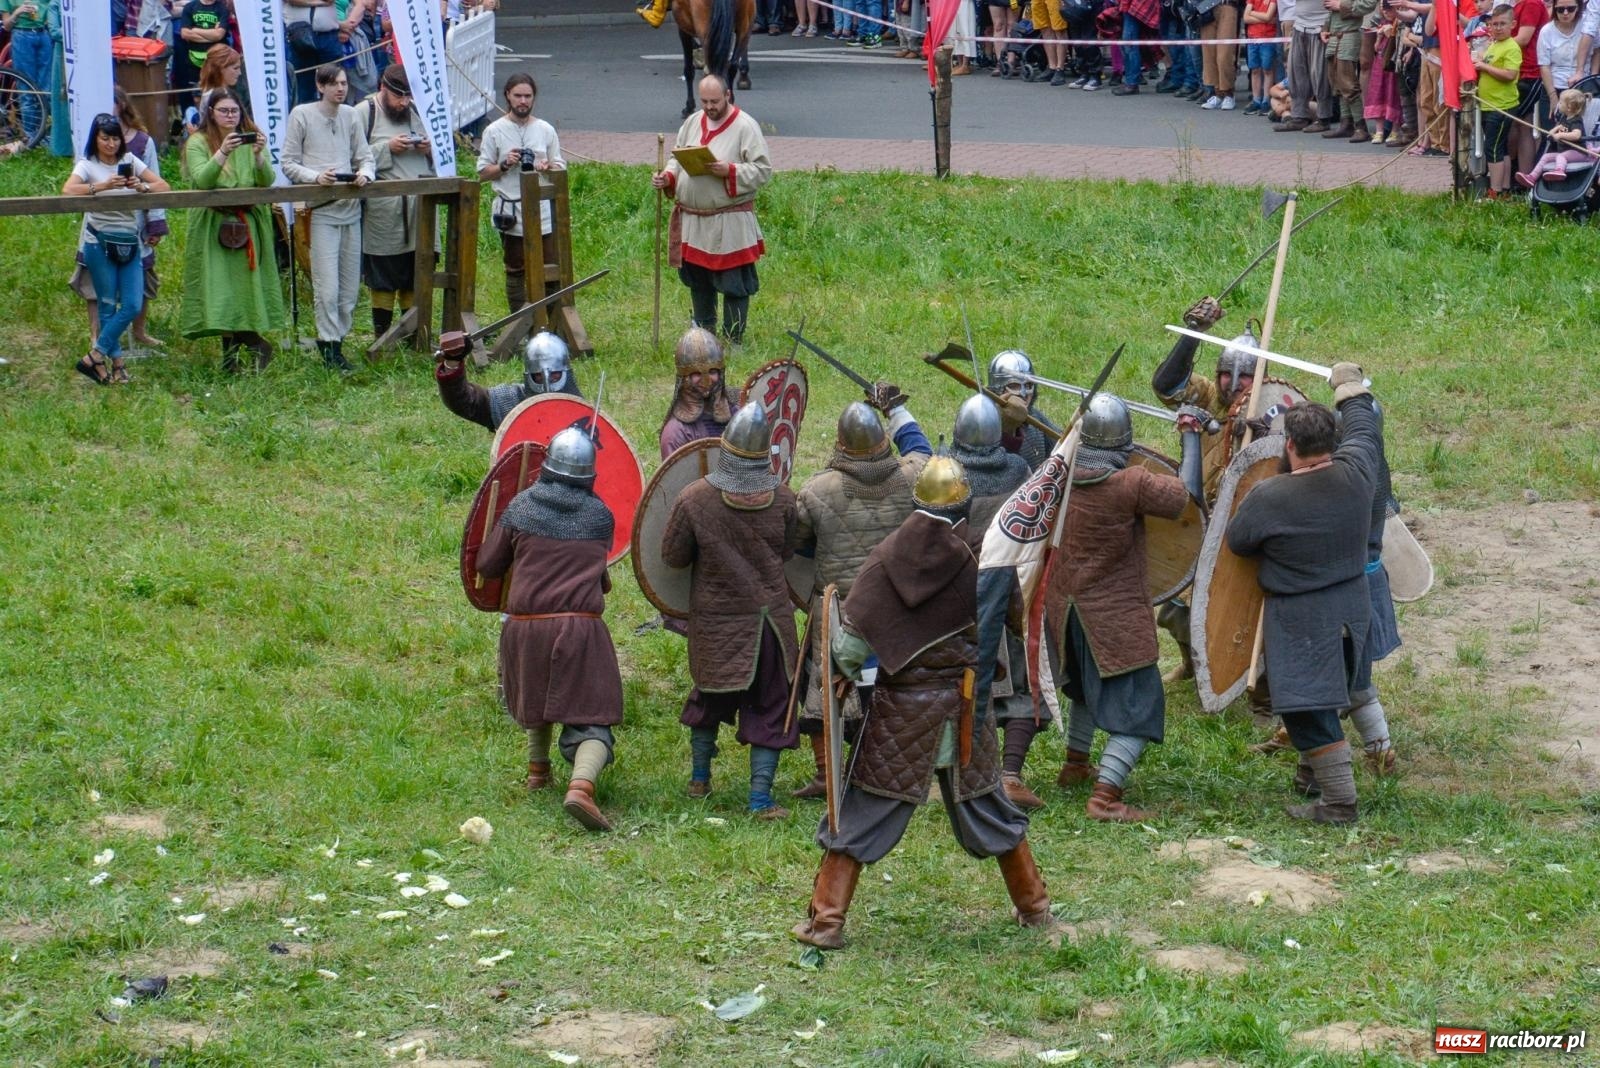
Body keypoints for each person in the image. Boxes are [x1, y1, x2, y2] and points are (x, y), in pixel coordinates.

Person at [790, 453, 1062, 951]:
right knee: (988, 806)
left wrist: (857, 672)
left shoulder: (883, 558)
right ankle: (1035, 907)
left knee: (864, 811)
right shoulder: (978, 563)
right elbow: (1004, 631)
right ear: (964, 508)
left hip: (900, 715)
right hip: (961, 712)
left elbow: (848, 651)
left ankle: (826, 922)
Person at [1226, 365, 1383, 825]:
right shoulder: (1358, 472)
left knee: (1306, 710)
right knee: (1330, 695)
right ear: (1332, 444)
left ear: (1289, 446)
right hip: (1353, 610)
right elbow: (1364, 426)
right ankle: (1312, 778)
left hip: (1303, 619)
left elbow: (1237, 542)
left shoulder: (1270, 497)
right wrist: (1349, 387)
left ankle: (1339, 804)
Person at [1042, 396, 1195, 822]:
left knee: (1088, 686)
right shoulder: (1129, 484)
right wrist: (1191, 437)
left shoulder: (1057, 475)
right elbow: (1184, 497)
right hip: (1112, 616)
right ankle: (1105, 796)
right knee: (1139, 706)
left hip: (1066, 611)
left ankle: (1075, 764)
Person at [475, 427, 624, 831]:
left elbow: (487, 565)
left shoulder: (522, 507)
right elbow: (597, 574)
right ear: (588, 475)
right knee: (595, 714)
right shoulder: (600, 516)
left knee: (536, 695)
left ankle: (538, 772)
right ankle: (580, 787)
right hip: (578, 628)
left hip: (525, 627)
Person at [660, 401, 801, 820]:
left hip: (718, 624)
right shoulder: (784, 500)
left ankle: (699, 778)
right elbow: (788, 552)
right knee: (771, 704)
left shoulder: (693, 499)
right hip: (771, 625)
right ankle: (758, 799)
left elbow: (672, 557)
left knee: (709, 697)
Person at [790, 391, 932, 799]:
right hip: (896, 604)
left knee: (825, 685)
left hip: (838, 606)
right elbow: (920, 448)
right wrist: (896, 411)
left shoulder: (817, 490)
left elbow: (799, 544)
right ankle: (888, 767)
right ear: (882, 443)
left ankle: (826, 773)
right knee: (889, 683)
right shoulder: (911, 478)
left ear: (840, 444)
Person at [953, 395, 1040, 809]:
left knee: (965, 682)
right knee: (1019, 683)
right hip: (1008, 591)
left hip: (961, 595)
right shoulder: (1018, 471)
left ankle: (973, 771)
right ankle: (1008, 772)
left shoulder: (947, 472)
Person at [651, 75, 771, 346]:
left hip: (728, 221)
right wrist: (668, 178)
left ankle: (733, 338)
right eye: (704, 101)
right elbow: (676, 157)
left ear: (727, 95)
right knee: (698, 278)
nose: (708, 107)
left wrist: (729, 170)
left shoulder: (745, 126)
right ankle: (704, 336)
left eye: (714, 101)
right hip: (694, 220)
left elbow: (763, 170)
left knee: (733, 281)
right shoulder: (693, 121)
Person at [178, 88, 286, 373]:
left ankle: (240, 355)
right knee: (222, 292)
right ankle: (244, 351)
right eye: (224, 110)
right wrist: (223, 152)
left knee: (243, 291)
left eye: (234, 111)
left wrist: (260, 156)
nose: (230, 116)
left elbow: (267, 181)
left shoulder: (251, 139)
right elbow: (202, 180)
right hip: (215, 225)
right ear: (210, 112)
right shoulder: (198, 142)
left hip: (248, 223)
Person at [61, 112, 172, 385]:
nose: (110, 144)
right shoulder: (87, 164)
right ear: (95, 139)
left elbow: (163, 185)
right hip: (98, 241)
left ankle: (95, 356)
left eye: (114, 138)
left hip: (130, 239)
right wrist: (102, 186)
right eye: (105, 138)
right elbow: (67, 190)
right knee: (107, 303)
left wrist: (142, 185)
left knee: (132, 303)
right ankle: (118, 365)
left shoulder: (130, 161)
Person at [281, 63, 375, 372]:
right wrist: (315, 176)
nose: (340, 88)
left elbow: (365, 155)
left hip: (349, 208)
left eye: (344, 83)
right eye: (334, 83)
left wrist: (364, 173)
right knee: (327, 286)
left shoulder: (350, 116)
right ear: (320, 86)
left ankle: (339, 341)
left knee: (349, 287)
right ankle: (328, 344)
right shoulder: (302, 115)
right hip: (321, 210)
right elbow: (289, 163)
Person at [353, 64, 436, 342]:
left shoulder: (415, 111)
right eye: (398, 96)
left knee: (416, 269)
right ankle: (382, 336)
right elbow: (352, 158)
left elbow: (443, 156)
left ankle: (412, 336)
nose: (403, 103)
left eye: (407, 97)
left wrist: (429, 149)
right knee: (385, 273)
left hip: (420, 208)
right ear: (383, 88)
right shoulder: (365, 113)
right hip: (384, 210)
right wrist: (386, 148)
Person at [476, 74, 565, 324]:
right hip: (511, 212)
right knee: (515, 269)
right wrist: (504, 164)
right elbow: (483, 172)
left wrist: (546, 167)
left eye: (528, 96)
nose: (523, 101)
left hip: (542, 210)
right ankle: (519, 324)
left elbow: (559, 167)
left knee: (549, 268)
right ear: (508, 96)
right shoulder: (494, 131)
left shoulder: (545, 129)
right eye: (518, 96)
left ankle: (549, 322)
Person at [435, 330, 581, 432]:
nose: (547, 381)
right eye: (539, 375)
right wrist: (453, 361)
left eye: (555, 374)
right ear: (529, 375)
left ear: (566, 373)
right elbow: (465, 402)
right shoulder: (511, 402)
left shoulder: (584, 416)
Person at [659, 325, 741, 457]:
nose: (706, 381)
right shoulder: (677, 433)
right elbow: (676, 477)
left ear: (721, 373)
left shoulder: (739, 409)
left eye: (712, 371)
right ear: (684, 377)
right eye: (696, 373)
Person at [1475, 5, 1523, 198]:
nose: (1498, 28)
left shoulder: (1512, 47)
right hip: (1489, 104)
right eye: (1494, 24)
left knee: (1492, 148)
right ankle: (1504, 189)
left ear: (1513, 24)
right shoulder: (1493, 44)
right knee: (1499, 147)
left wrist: (1484, 67)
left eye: (1502, 24)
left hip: (1501, 106)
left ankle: (1494, 191)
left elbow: (1510, 75)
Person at [987, 350, 1061, 470]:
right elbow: (981, 468)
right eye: (1014, 386)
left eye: (1028, 386)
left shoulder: (1035, 418)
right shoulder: (982, 422)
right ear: (997, 389)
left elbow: (1062, 447)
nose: (1023, 393)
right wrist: (1005, 428)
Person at [1517, 86, 1598, 185]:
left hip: (1579, 153)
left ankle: (1559, 171)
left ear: (1569, 107)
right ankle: (1532, 177)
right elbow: (1550, 134)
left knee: (1561, 156)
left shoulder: (1576, 120)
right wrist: (1555, 130)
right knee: (1546, 157)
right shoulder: (1564, 119)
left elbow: (1576, 135)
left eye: (1560, 102)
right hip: (1565, 152)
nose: (1558, 104)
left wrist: (1561, 135)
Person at [1325, 0, 1379, 140]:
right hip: (1334, 35)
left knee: (1348, 82)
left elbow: (1369, 4)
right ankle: (1346, 123)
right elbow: (1330, 10)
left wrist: (1341, 6)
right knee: (1337, 82)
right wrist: (1325, 28)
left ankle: (1361, 127)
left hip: (1349, 34)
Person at [2, 0, 54, 143]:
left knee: (45, 87)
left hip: (43, 35)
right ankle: (32, 135)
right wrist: (17, 13)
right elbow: (6, 25)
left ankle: (44, 133)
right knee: (26, 87)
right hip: (21, 35)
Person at [1279, 0, 1335, 131]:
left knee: (1320, 74)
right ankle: (1299, 116)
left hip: (1321, 26)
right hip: (1299, 25)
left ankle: (1324, 118)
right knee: (1296, 72)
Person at [284, 0, 346, 105]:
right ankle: (303, 120)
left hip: (328, 36)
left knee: (333, 83)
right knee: (302, 88)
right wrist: (320, 3)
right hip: (298, 36)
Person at [174, 0, 231, 109]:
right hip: (194, 60)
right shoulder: (190, 7)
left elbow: (219, 35)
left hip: (217, 61)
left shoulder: (222, 8)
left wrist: (195, 30)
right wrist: (211, 36)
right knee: (197, 95)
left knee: (219, 92)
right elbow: (185, 33)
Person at [183, 44, 246, 134]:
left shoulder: (224, 91)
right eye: (235, 68)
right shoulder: (212, 95)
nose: (239, 73)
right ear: (220, 69)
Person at [1198, 0, 1243, 110]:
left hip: (1227, 4)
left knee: (1225, 54)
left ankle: (1228, 93)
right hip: (1205, 7)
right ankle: (1217, 92)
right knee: (1209, 54)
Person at [1243, 0, 1281, 114]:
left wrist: (1253, 13)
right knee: (1255, 69)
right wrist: (1263, 18)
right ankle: (1256, 100)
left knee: (1267, 69)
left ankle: (1266, 100)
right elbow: (1245, 18)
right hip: (1252, 37)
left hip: (1267, 37)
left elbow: (1269, 16)